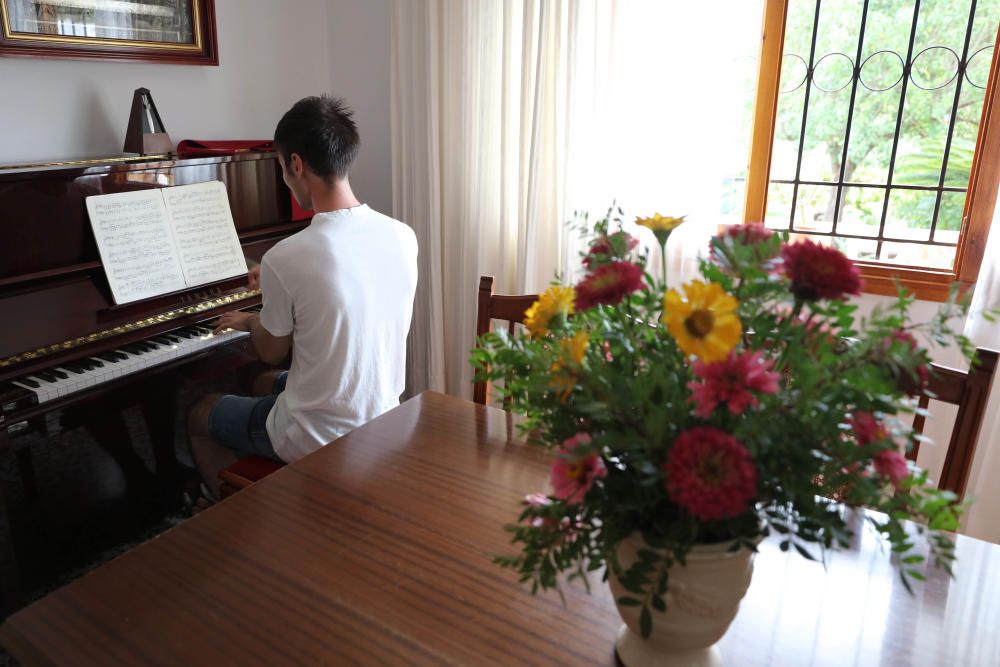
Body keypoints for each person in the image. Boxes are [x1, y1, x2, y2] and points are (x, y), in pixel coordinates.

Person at [187, 95, 418, 500]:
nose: (285, 179)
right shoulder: (402, 235)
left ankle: (227, 521)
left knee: (200, 412)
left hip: (317, 437)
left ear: (296, 164)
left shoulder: (287, 256)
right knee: (261, 384)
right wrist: (276, 291)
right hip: (380, 415)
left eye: (280, 167)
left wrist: (250, 318)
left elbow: (271, 351)